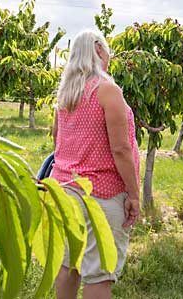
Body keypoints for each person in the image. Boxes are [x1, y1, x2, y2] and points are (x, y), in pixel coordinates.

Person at [51, 29, 140, 299]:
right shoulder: (107, 90)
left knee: (68, 263)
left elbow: (56, 138)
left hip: (64, 189)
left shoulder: (65, 94)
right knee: (100, 274)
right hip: (101, 192)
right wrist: (134, 195)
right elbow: (121, 148)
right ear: (99, 50)